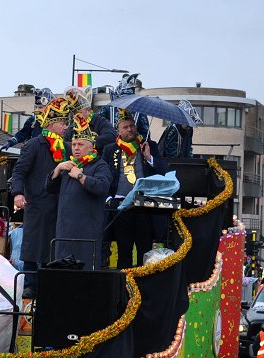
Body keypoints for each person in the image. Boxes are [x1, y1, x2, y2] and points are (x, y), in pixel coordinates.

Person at [10, 96, 71, 296]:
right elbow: (19, 171)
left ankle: (48, 285)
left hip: (59, 204)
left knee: (53, 246)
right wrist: (18, 193)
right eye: (63, 122)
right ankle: (30, 284)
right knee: (32, 245)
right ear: (51, 124)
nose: (66, 126)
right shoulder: (34, 144)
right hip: (37, 202)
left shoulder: (67, 147)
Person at [102, 108, 168, 269]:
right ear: (118, 130)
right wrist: (109, 199)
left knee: (144, 249)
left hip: (143, 205)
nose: (130, 129)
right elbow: (103, 175)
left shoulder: (148, 145)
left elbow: (164, 171)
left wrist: (149, 157)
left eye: (132, 126)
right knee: (123, 249)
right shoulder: (110, 149)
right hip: (120, 206)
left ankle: (143, 282)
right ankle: (123, 283)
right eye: (125, 127)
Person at [46, 112, 113, 270]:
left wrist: (81, 176)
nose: (76, 148)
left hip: (86, 232)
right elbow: (49, 188)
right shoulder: (68, 165)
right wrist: (57, 169)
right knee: (63, 271)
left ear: (91, 147)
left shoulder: (100, 165)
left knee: (85, 272)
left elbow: (102, 187)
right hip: (64, 232)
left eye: (80, 144)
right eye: (74, 144)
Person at [62, 86, 115, 155]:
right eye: (74, 114)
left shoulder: (100, 121)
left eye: (79, 112)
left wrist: (88, 143)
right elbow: (65, 144)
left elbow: (111, 137)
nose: (76, 116)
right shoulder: (72, 127)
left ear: (88, 110)